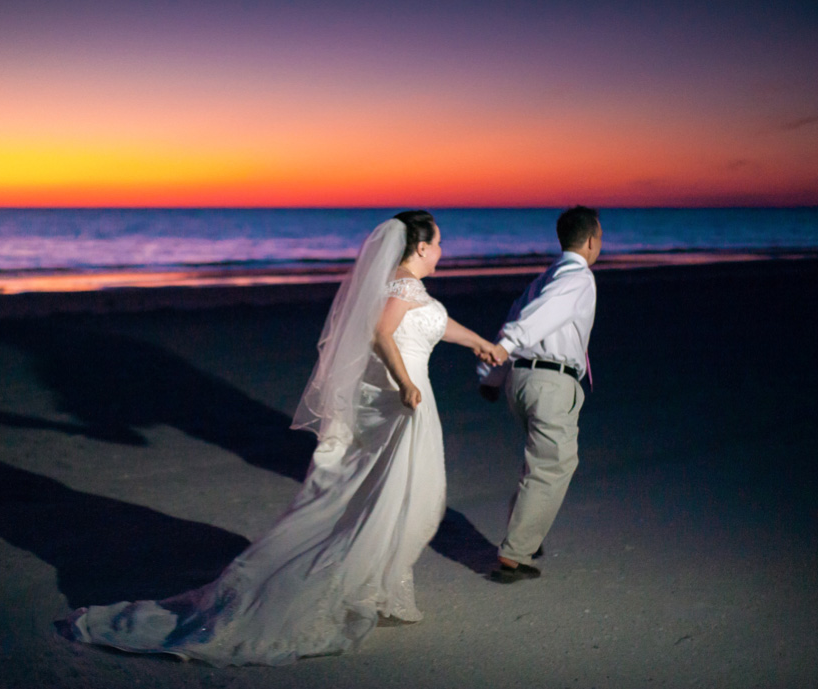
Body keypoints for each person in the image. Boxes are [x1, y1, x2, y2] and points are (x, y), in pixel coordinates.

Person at [63, 210, 502, 666]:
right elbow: (381, 333)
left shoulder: (403, 286)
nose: (443, 250)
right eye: (439, 242)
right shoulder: (404, 285)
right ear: (421, 247)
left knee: (390, 495)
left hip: (404, 401)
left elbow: (432, 325)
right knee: (394, 495)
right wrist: (405, 381)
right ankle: (357, 584)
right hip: (402, 403)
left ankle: (378, 586)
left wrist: (477, 341)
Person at [478, 205, 602, 584]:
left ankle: (527, 531)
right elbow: (533, 319)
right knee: (553, 465)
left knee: (542, 461)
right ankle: (515, 554)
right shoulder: (577, 277)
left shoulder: (542, 277)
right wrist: (505, 349)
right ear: (592, 240)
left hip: (521, 380)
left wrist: (492, 376)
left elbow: (517, 315)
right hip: (549, 381)